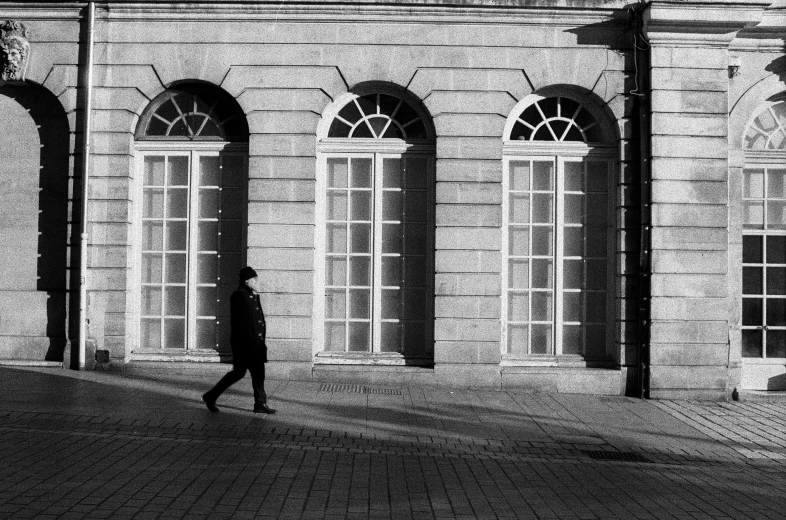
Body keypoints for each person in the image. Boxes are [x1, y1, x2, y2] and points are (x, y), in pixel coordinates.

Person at [202, 266, 276, 414]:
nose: (257, 281)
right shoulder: (239, 295)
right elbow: (242, 323)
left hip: (254, 343)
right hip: (246, 344)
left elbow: (258, 321)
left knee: (252, 373)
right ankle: (211, 396)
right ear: (247, 281)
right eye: (254, 279)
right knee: (242, 373)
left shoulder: (252, 295)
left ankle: (259, 403)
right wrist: (252, 343)